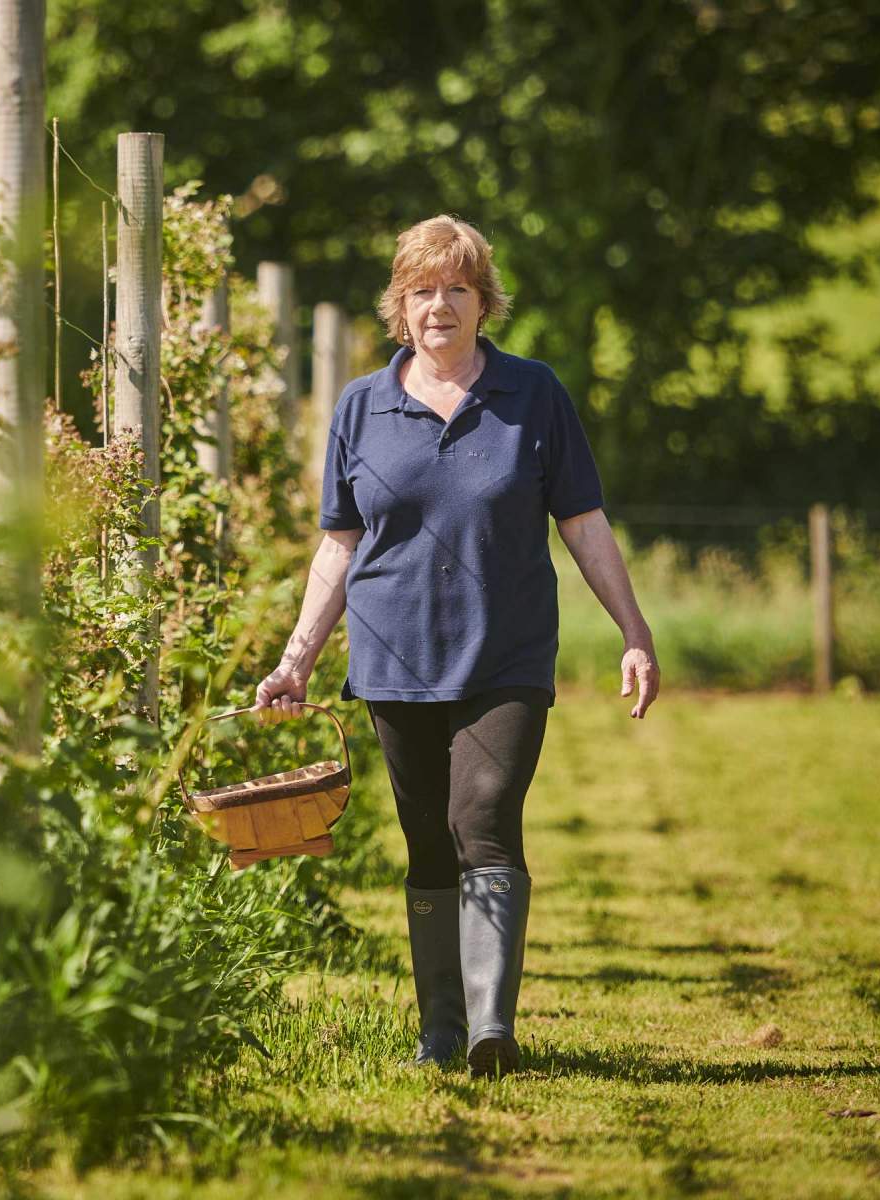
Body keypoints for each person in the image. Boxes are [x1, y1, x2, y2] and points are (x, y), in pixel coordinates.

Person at [253, 215, 659, 1078]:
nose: (440, 305)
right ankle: (439, 1029)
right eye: (423, 289)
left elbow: (582, 522)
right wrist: (296, 659)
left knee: (483, 818)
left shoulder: (534, 395)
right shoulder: (362, 405)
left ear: (484, 303)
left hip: (506, 654)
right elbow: (339, 543)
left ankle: (490, 1029)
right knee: (428, 841)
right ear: (401, 305)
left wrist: (634, 630)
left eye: (458, 289)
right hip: (393, 656)